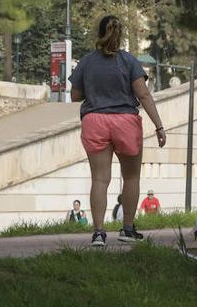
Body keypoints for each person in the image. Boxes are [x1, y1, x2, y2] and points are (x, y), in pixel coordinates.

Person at [69, 15, 167, 248]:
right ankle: (128, 229)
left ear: (98, 33)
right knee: (131, 177)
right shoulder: (129, 61)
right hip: (125, 121)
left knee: (100, 179)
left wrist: (96, 89)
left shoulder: (87, 61)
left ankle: (99, 234)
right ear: (120, 35)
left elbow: (75, 95)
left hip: (95, 121)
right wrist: (159, 126)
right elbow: (143, 95)